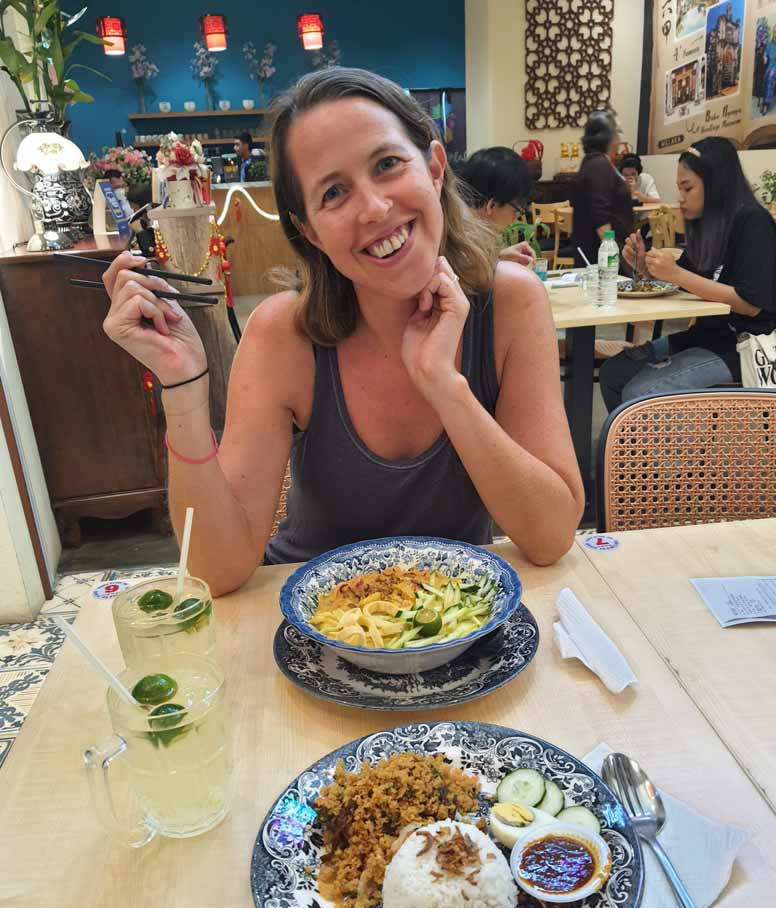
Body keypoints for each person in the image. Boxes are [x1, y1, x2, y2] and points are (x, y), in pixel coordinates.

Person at [100, 68, 583, 593]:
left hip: (456, 622)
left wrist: (445, 384)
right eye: (333, 193)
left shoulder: (511, 302)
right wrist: (183, 390)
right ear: (308, 230)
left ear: (435, 166)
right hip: (314, 626)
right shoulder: (282, 334)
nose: (374, 208)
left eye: (388, 164)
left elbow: (551, 535)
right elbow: (217, 572)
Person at [599, 136, 776, 411]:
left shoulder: (753, 221)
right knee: (614, 372)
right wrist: (645, 268)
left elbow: (750, 305)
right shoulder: (707, 224)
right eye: (679, 189)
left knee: (642, 394)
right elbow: (690, 281)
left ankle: (666, 453)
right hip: (706, 336)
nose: (681, 198)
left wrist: (675, 274)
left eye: (688, 188)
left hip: (748, 346)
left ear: (715, 184)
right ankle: (633, 453)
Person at [570, 109, 634, 263]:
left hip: (602, 254)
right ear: (609, 137)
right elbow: (601, 218)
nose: (619, 141)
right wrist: (615, 259)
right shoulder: (598, 165)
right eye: (617, 134)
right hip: (602, 260)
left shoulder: (595, 162)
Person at [457, 147, 538, 267]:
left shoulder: (462, 223)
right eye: (516, 211)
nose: (515, 220)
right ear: (492, 205)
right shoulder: (455, 237)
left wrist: (500, 256)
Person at [762, 24, 776, 115]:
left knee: (770, 79)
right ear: (772, 32)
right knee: (765, 79)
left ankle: (766, 104)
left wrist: (773, 70)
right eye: (775, 31)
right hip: (769, 66)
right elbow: (766, 52)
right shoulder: (769, 43)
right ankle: (764, 101)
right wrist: (765, 57)